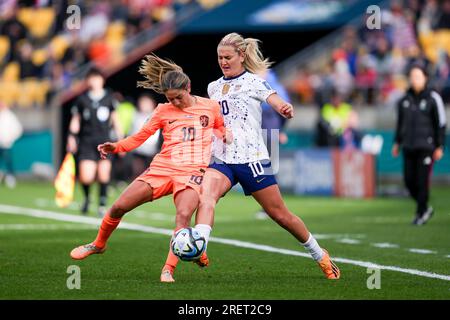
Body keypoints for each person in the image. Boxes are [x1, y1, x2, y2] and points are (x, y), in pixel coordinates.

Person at [178, 32, 340, 279]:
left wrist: (283, 108)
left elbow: (274, 100)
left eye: (228, 57)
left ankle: (320, 254)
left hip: (251, 158)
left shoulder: (254, 82)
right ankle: (200, 244)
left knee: (280, 215)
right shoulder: (213, 87)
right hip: (222, 158)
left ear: (241, 56)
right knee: (206, 197)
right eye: (220, 57)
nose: (223, 61)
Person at [69, 54, 231, 283]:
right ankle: (98, 244)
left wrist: (225, 135)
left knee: (183, 216)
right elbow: (139, 137)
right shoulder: (163, 110)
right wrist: (116, 146)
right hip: (162, 169)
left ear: (188, 87)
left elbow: (220, 128)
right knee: (118, 207)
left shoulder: (210, 107)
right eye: (170, 98)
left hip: (192, 172)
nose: (174, 102)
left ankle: (168, 270)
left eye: (177, 97)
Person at [392, 63, 447, 225]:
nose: (414, 80)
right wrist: (397, 142)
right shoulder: (404, 100)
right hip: (408, 146)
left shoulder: (433, 98)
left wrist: (439, 145)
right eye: (412, 76)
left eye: (418, 76)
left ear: (425, 78)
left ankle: (420, 213)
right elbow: (400, 123)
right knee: (409, 182)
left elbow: (441, 123)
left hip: (426, 147)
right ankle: (425, 208)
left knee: (422, 182)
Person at [67, 67, 123, 217]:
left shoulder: (109, 98)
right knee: (86, 176)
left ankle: (102, 204)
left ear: (102, 80)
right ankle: (87, 198)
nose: (95, 81)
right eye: (92, 78)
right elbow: (76, 120)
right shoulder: (82, 99)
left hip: (105, 142)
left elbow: (116, 120)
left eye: (97, 78)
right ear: (88, 81)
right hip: (86, 141)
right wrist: (71, 137)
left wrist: (121, 140)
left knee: (104, 174)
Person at [130, 93, 161, 180]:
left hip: (152, 149)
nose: (144, 106)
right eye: (142, 103)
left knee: (150, 171)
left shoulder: (157, 116)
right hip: (138, 149)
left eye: (147, 103)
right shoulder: (135, 115)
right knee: (137, 170)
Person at [0, 101, 23, 189]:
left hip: (6, 144)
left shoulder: (9, 116)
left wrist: (10, 139)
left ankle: (10, 179)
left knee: (8, 162)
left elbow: (18, 129)